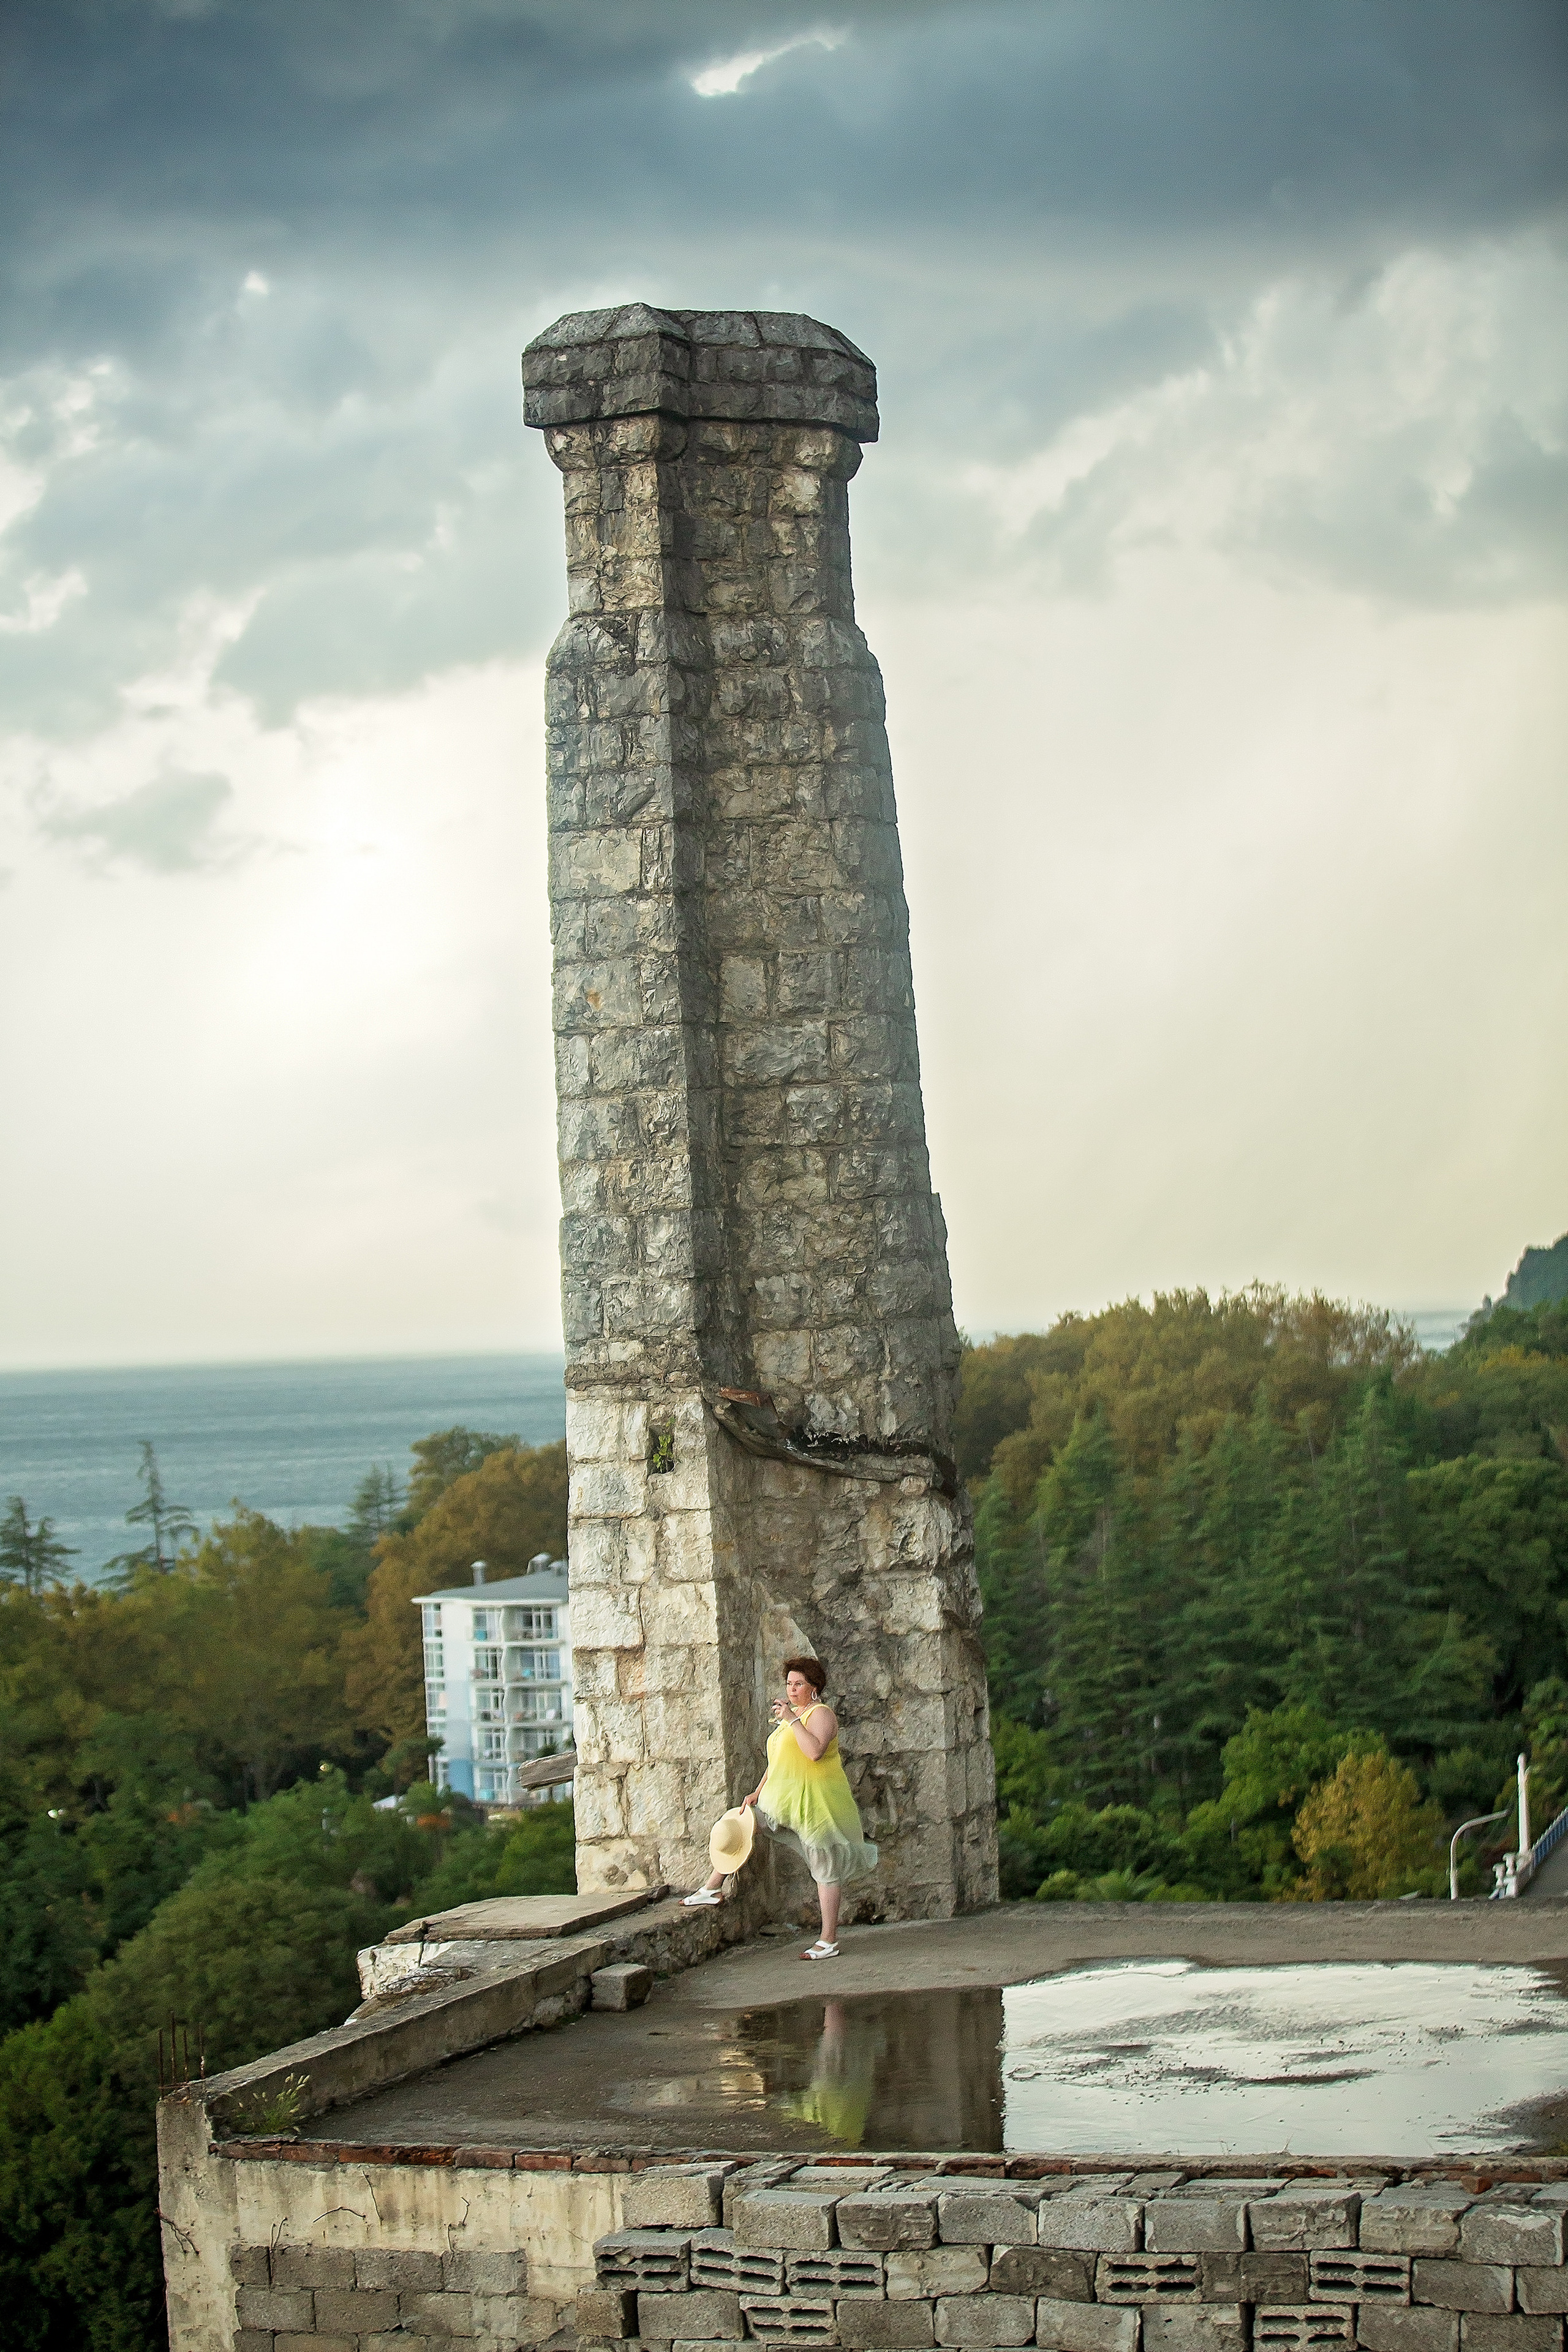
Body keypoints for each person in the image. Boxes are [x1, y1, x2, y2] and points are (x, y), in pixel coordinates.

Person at [682, 1656, 878, 1959]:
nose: (792, 1689)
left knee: (824, 1867)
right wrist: (756, 1793)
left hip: (816, 1805)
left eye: (798, 1684)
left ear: (814, 1687)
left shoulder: (821, 1714)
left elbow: (814, 1752)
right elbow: (776, 1761)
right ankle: (712, 1887)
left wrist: (792, 1720)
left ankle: (828, 1940)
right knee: (741, 1823)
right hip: (783, 1802)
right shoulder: (793, 1717)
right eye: (789, 1683)